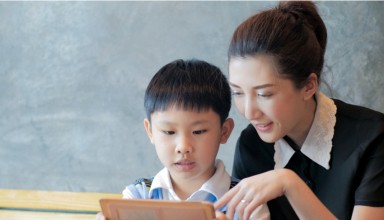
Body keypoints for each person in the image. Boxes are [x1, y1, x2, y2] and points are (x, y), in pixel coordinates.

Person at [214, 1, 384, 220]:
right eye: (237, 92)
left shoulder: (372, 138)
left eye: (264, 94)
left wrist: (289, 183)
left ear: (308, 86)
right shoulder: (251, 145)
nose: (249, 112)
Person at [97, 59, 270, 219]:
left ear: (224, 131)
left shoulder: (247, 203)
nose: (183, 147)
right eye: (169, 132)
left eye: (199, 131)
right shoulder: (137, 196)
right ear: (150, 131)